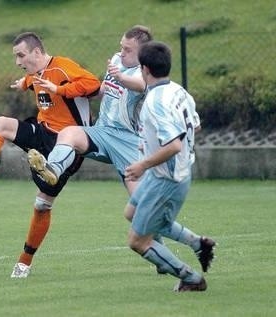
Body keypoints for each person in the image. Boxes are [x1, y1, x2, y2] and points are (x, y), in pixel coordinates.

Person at [28, 27, 216, 274]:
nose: (121, 52)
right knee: (69, 133)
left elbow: (138, 85)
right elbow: (103, 89)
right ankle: (53, 168)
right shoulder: (117, 61)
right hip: (103, 131)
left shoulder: (147, 77)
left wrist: (119, 76)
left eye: (128, 50)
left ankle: (190, 245)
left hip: (130, 144)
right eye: (121, 47)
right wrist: (68, 88)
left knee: (138, 212)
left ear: (143, 56)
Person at [0, 32, 101, 278]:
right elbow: (33, 80)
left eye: (21, 55)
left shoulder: (63, 67)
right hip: (41, 132)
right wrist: (24, 82)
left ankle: (24, 263)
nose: (17, 61)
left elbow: (94, 85)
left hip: (67, 145)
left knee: (42, 205)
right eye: (15, 56)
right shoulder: (35, 73)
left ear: (37, 52)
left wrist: (59, 89)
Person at [125, 40, 211, 292]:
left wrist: (143, 163)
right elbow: (195, 126)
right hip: (164, 173)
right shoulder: (178, 91)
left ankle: (191, 278)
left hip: (167, 178)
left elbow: (173, 145)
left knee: (138, 240)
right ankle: (198, 243)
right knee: (132, 213)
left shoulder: (155, 102)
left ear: (144, 69)